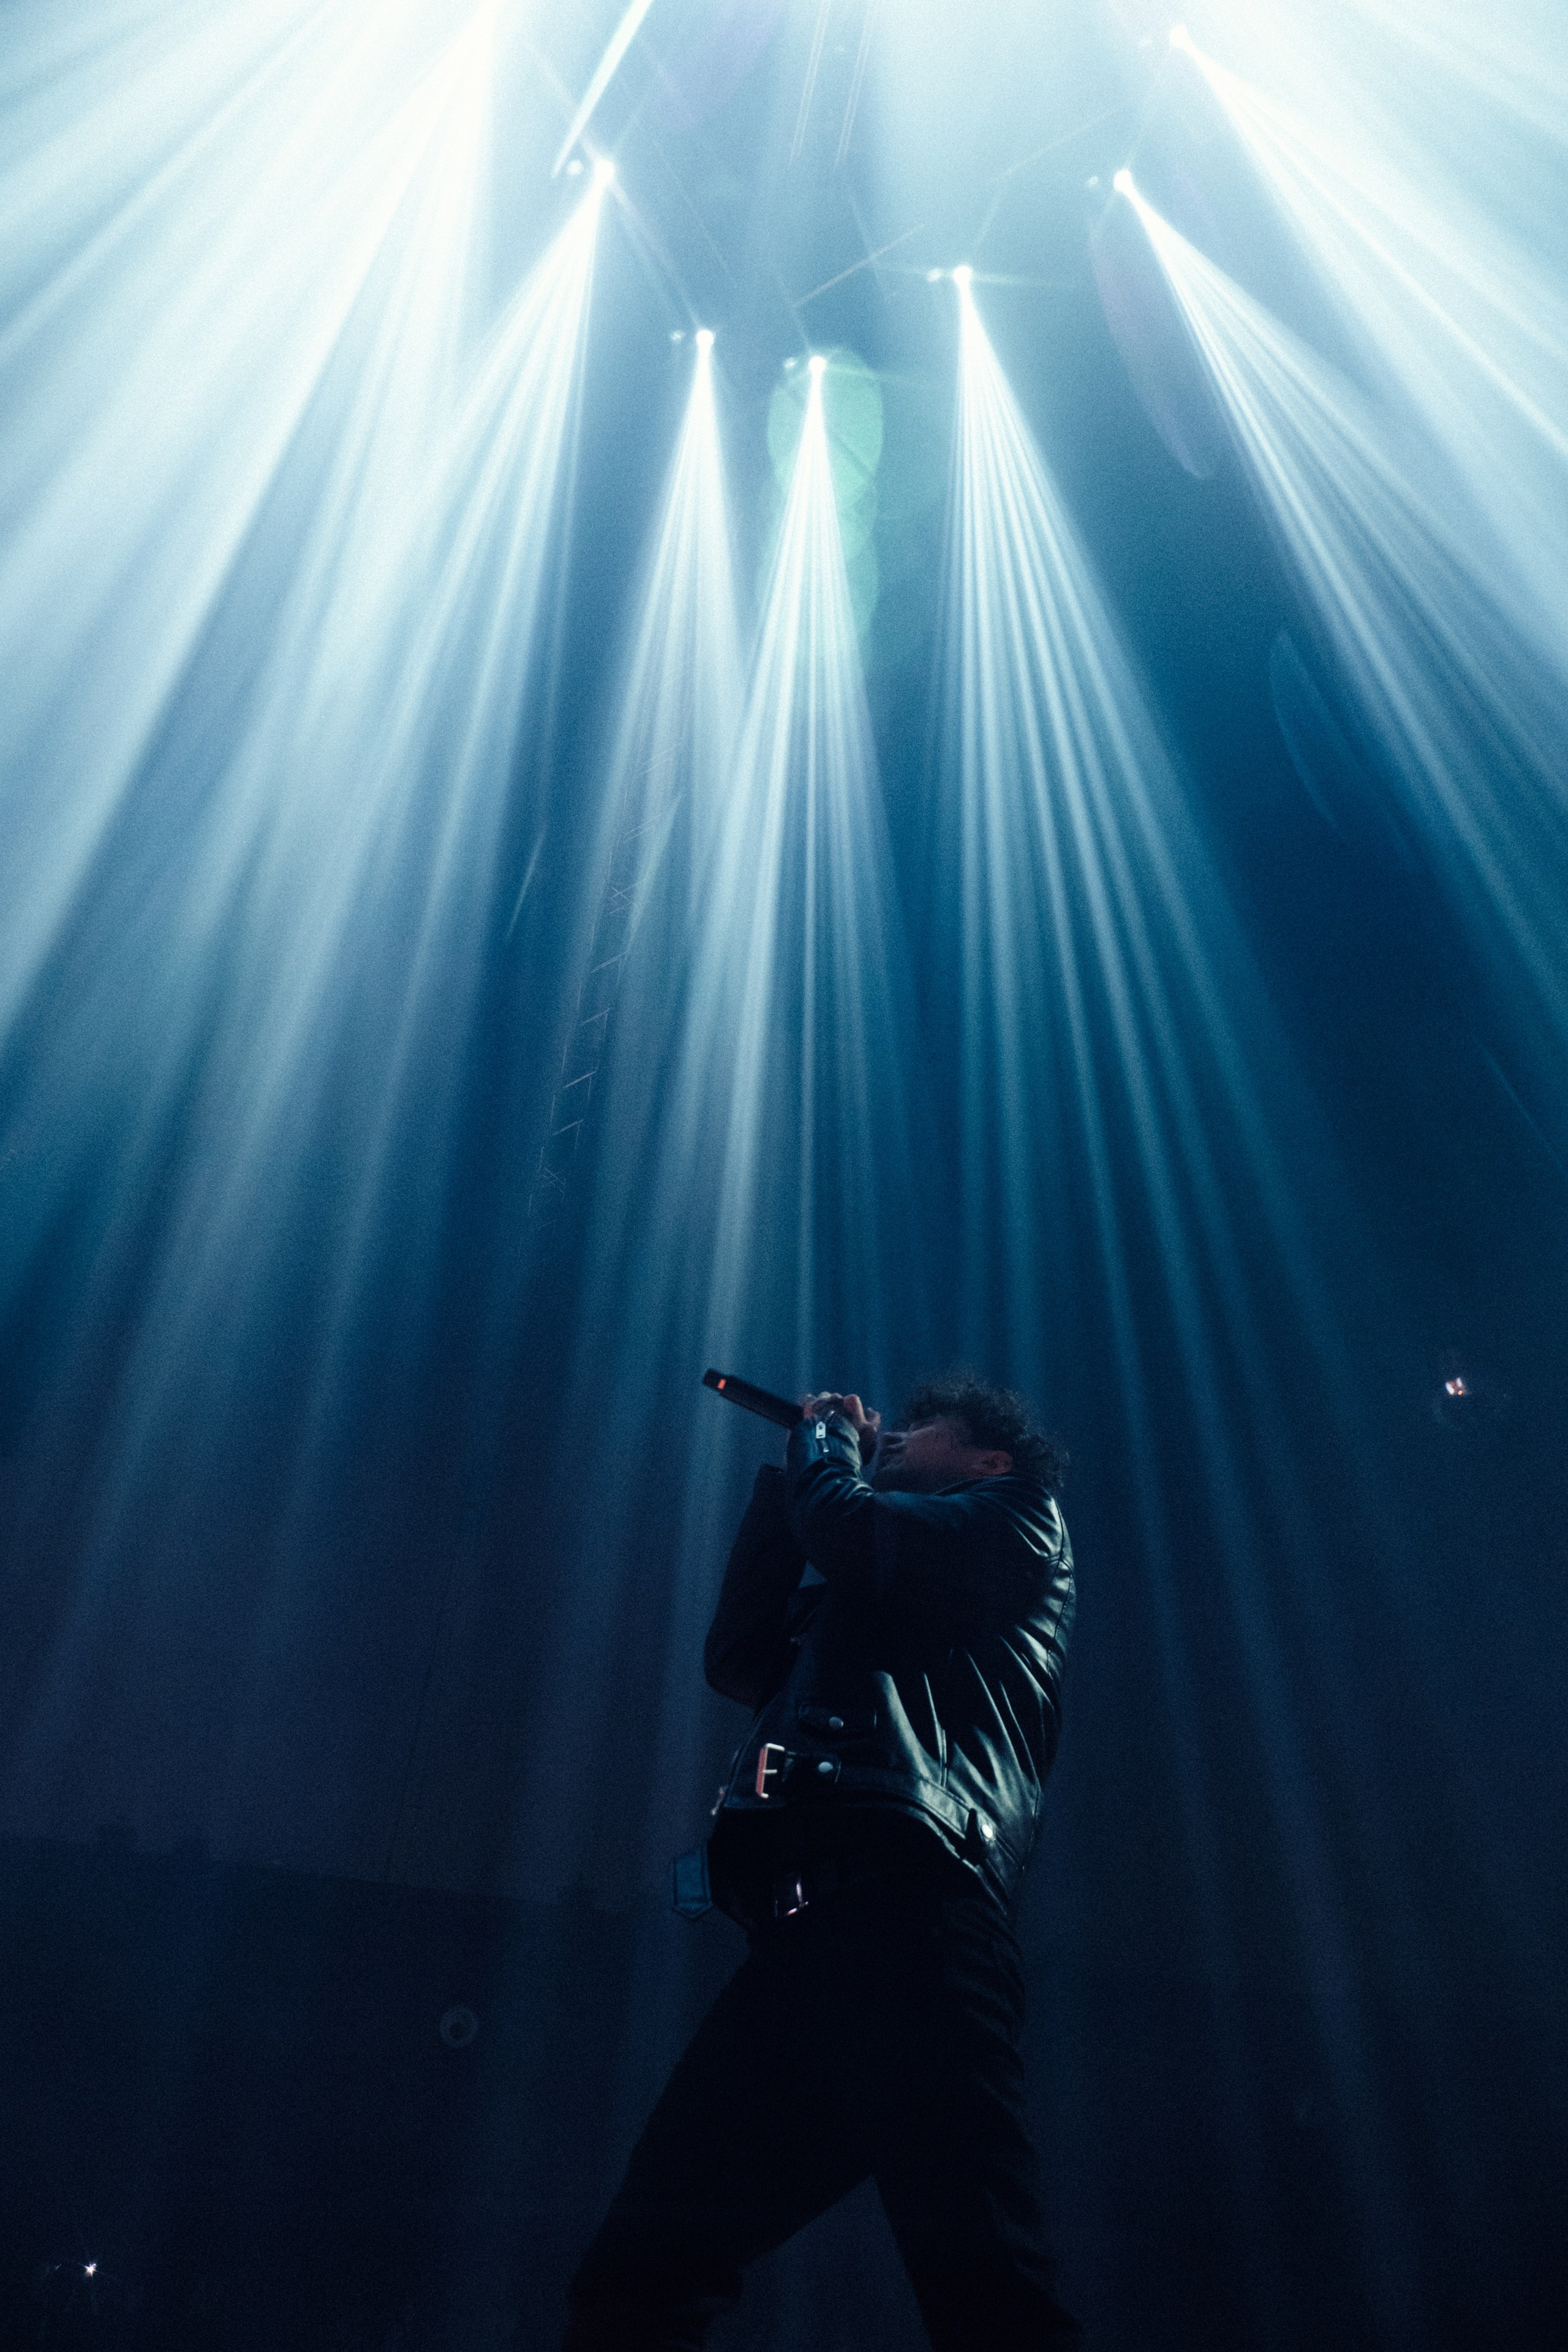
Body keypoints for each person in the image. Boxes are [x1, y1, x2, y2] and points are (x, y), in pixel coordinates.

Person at [560, 1372, 1081, 2350]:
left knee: (991, 2294)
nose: (900, 1431)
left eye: (925, 1425)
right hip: (808, 1947)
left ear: (988, 1461)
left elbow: (848, 1531)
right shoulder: (866, 1591)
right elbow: (739, 1653)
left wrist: (833, 1452)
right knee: (639, 2276)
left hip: (916, 1925)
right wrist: (793, 1472)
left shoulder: (1018, 1521)